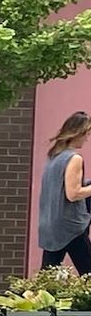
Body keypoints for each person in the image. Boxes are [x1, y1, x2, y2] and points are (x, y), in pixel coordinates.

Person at [37, 111, 91, 273]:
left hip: (51, 224)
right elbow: (73, 194)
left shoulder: (54, 156)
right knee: (88, 272)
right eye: (86, 134)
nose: (87, 139)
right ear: (77, 134)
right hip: (70, 226)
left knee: (47, 275)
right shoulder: (74, 158)